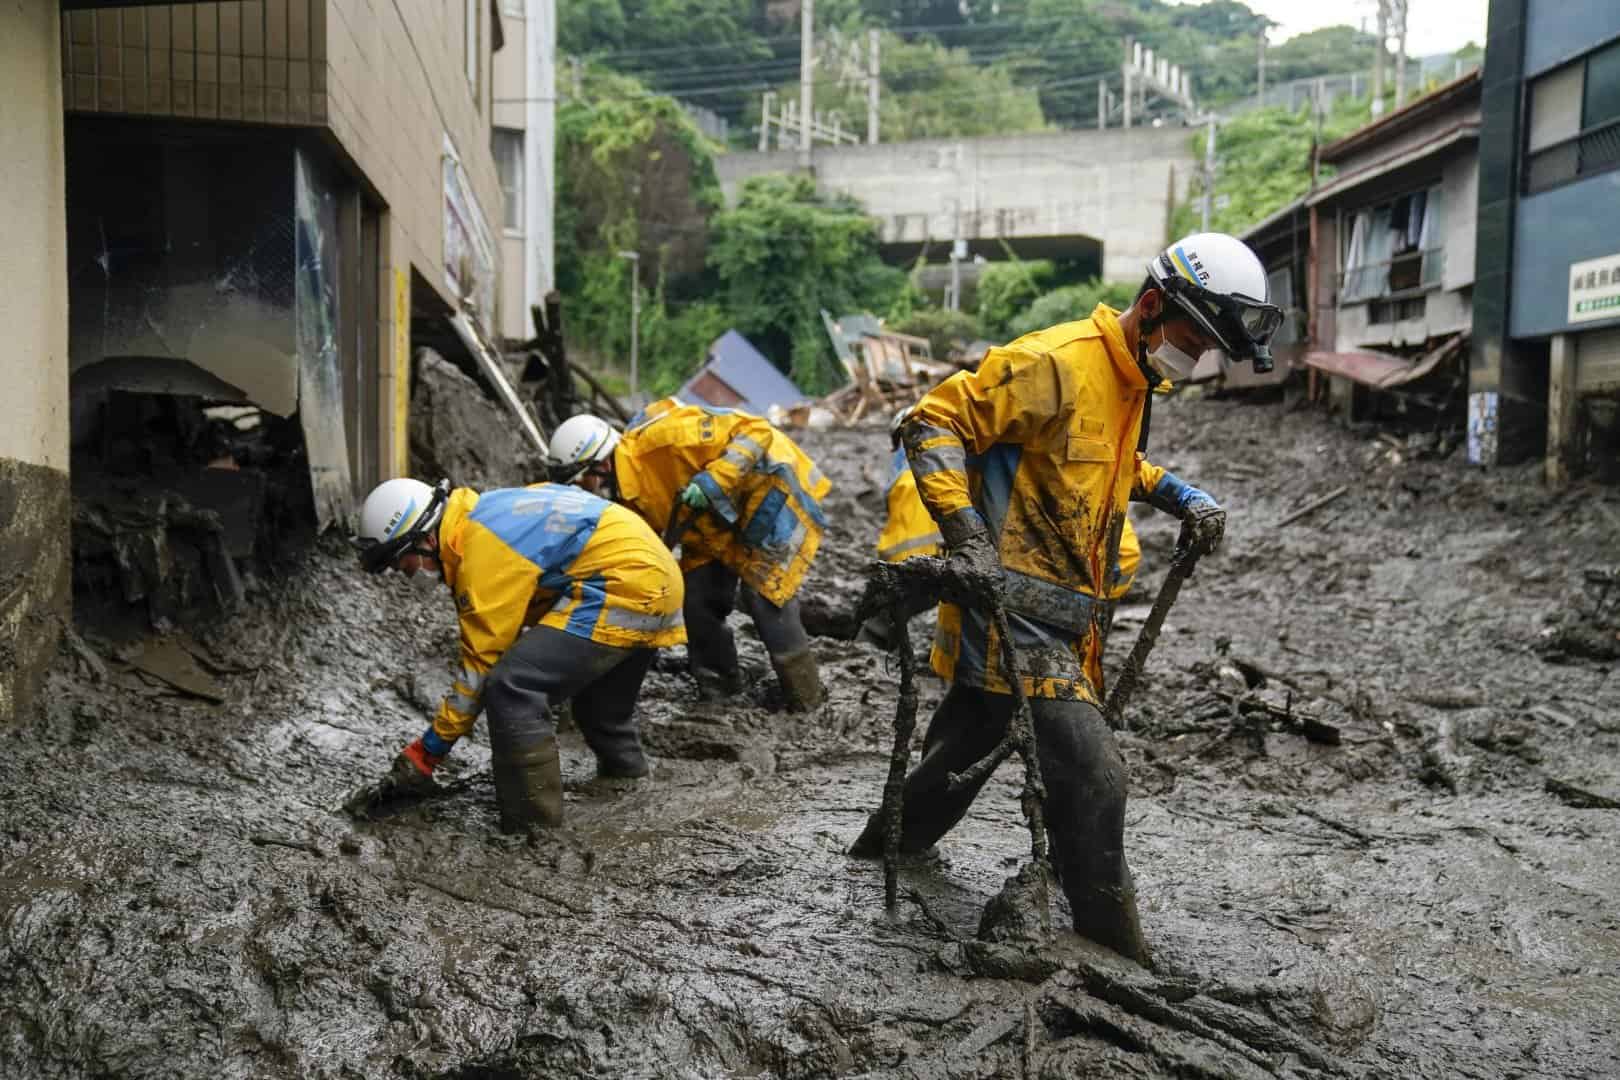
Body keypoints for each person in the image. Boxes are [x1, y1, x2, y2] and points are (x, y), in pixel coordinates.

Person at [850, 233, 1282, 963]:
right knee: (1095, 775)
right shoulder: (1055, 361)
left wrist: (1180, 495)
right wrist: (966, 540)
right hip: (1010, 617)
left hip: (1065, 622)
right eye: (1195, 341)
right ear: (1150, 306)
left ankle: (873, 859)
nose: (1198, 360)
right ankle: (1113, 948)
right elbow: (931, 421)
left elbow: (1113, 463)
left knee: (954, 762)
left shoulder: (1132, 381)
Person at [351, 478, 686, 833]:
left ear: (426, 540)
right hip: (653, 577)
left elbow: (479, 670)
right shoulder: (489, 513)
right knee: (597, 708)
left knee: (514, 686)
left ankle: (532, 827)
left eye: (405, 566)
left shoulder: (480, 552)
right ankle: (629, 781)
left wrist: (428, 751)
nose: (407, 576)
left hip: (623, 587)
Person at [546, 400, 831, 711]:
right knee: (696, 600)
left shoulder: (666, 438)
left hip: (774, 494)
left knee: (764, 599)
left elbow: (756, 431)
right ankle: (721, 692)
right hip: (713, 524)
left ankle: (807, 701)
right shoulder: (623, 499)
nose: (582, 492)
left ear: (601, 465)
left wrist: (714, 480)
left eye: (579, 481)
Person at [857, 406, 1142, 649]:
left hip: (1080, 566)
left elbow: (906, 550)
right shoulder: (1000, 454)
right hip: (1099, 564)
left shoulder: (916, 476)